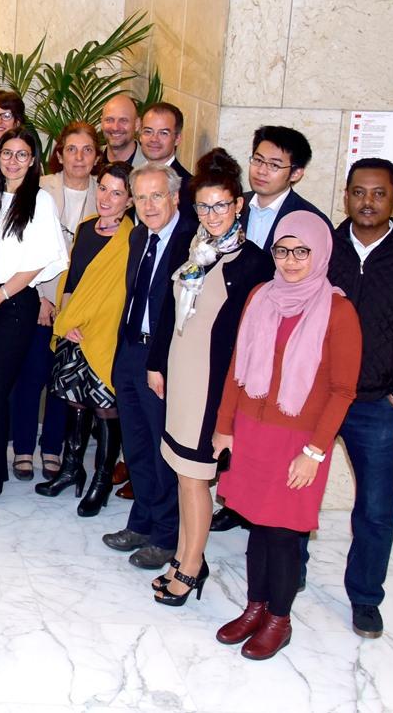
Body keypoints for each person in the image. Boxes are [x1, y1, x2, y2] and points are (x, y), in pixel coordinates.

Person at [212, 211, 361, 660]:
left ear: (320, 253)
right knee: (257, 526)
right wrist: (224, 429)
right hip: (252, 433)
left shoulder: (338, 309)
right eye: (282, 250)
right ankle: (255, 606)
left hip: (299, 441)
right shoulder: (262, 294)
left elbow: (342, 390)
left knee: (282, 533)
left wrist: (314, 453)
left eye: (302, 251)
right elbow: (238, 368)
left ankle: (280, 617)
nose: (291, 261)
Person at [141, 150, 272, 603]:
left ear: (238, 205)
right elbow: (168, 308)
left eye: (221, 205)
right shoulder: (195, 247)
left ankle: (191, 568)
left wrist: (229, 412)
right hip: (180, 375)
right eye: (203, 206)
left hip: (212, 388)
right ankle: (184, 553)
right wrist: (157, 363)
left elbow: (251, 345)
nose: (212, 215)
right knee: (181, 471)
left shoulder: (254, 264)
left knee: (196, 477)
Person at [0, 126, 68, 506]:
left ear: (33, 160)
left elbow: (38, 264)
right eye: (7, 153)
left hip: (15, 304)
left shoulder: (39, 201)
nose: (13, 161)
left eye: (22, 154)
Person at [326, 158, 393, 639]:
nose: (368, 202)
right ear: (346, 196)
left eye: (379, 194)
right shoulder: (324, 249)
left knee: (377, 510)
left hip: (377, 405)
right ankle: (288, 577)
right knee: (298, 497)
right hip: (317, 401)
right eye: (359, 192)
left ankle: (365, 597)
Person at [101, 163, 197, 567]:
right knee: (136, 444)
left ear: (175, 197)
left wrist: (158, 362)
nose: (148, 204)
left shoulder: (192, 243)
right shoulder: (140, 236)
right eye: (141, 197)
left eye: (157, 195)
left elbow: (181, 312)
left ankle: (167, 534)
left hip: (164, 359)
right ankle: (141, 520)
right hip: (130, 353)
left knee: (161, 449)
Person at [37, 163, 135, 509]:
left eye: (117, 192)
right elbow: (73, 280)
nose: (107, 198)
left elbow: (122, 296)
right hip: (71, 331)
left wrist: (89, 326)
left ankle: (101, 481)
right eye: (103, 189)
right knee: (74, 404)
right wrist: (65, 321)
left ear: (130, 200)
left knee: (106, 411)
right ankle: (70, 469)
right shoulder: (86, 227)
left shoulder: (132, 239)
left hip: (103, 337)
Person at [16, 122, 101, 481]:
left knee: (62, 380)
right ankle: (22, 448)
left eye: (86, 150)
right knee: (31, 375)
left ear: (97, 156)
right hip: (41, 300)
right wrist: (40, 298)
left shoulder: (107, 193)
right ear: (60, 153)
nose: (79, 157)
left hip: (82, 309)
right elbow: (23, 246)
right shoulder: (40, 188)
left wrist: (79, 311)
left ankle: (52, 447)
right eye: (72, 149)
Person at [241, 125, 328, 249]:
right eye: (258, 160)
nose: (261, 171)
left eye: (274, 165)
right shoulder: (231, 206)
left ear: (295, 174)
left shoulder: (311, 220)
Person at [98, 94, 145, 168]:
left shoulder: (151, 167)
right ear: (102, 123)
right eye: (109, 120)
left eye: (123, 120)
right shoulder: (89, 162)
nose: (115, 128)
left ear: (137, 124)